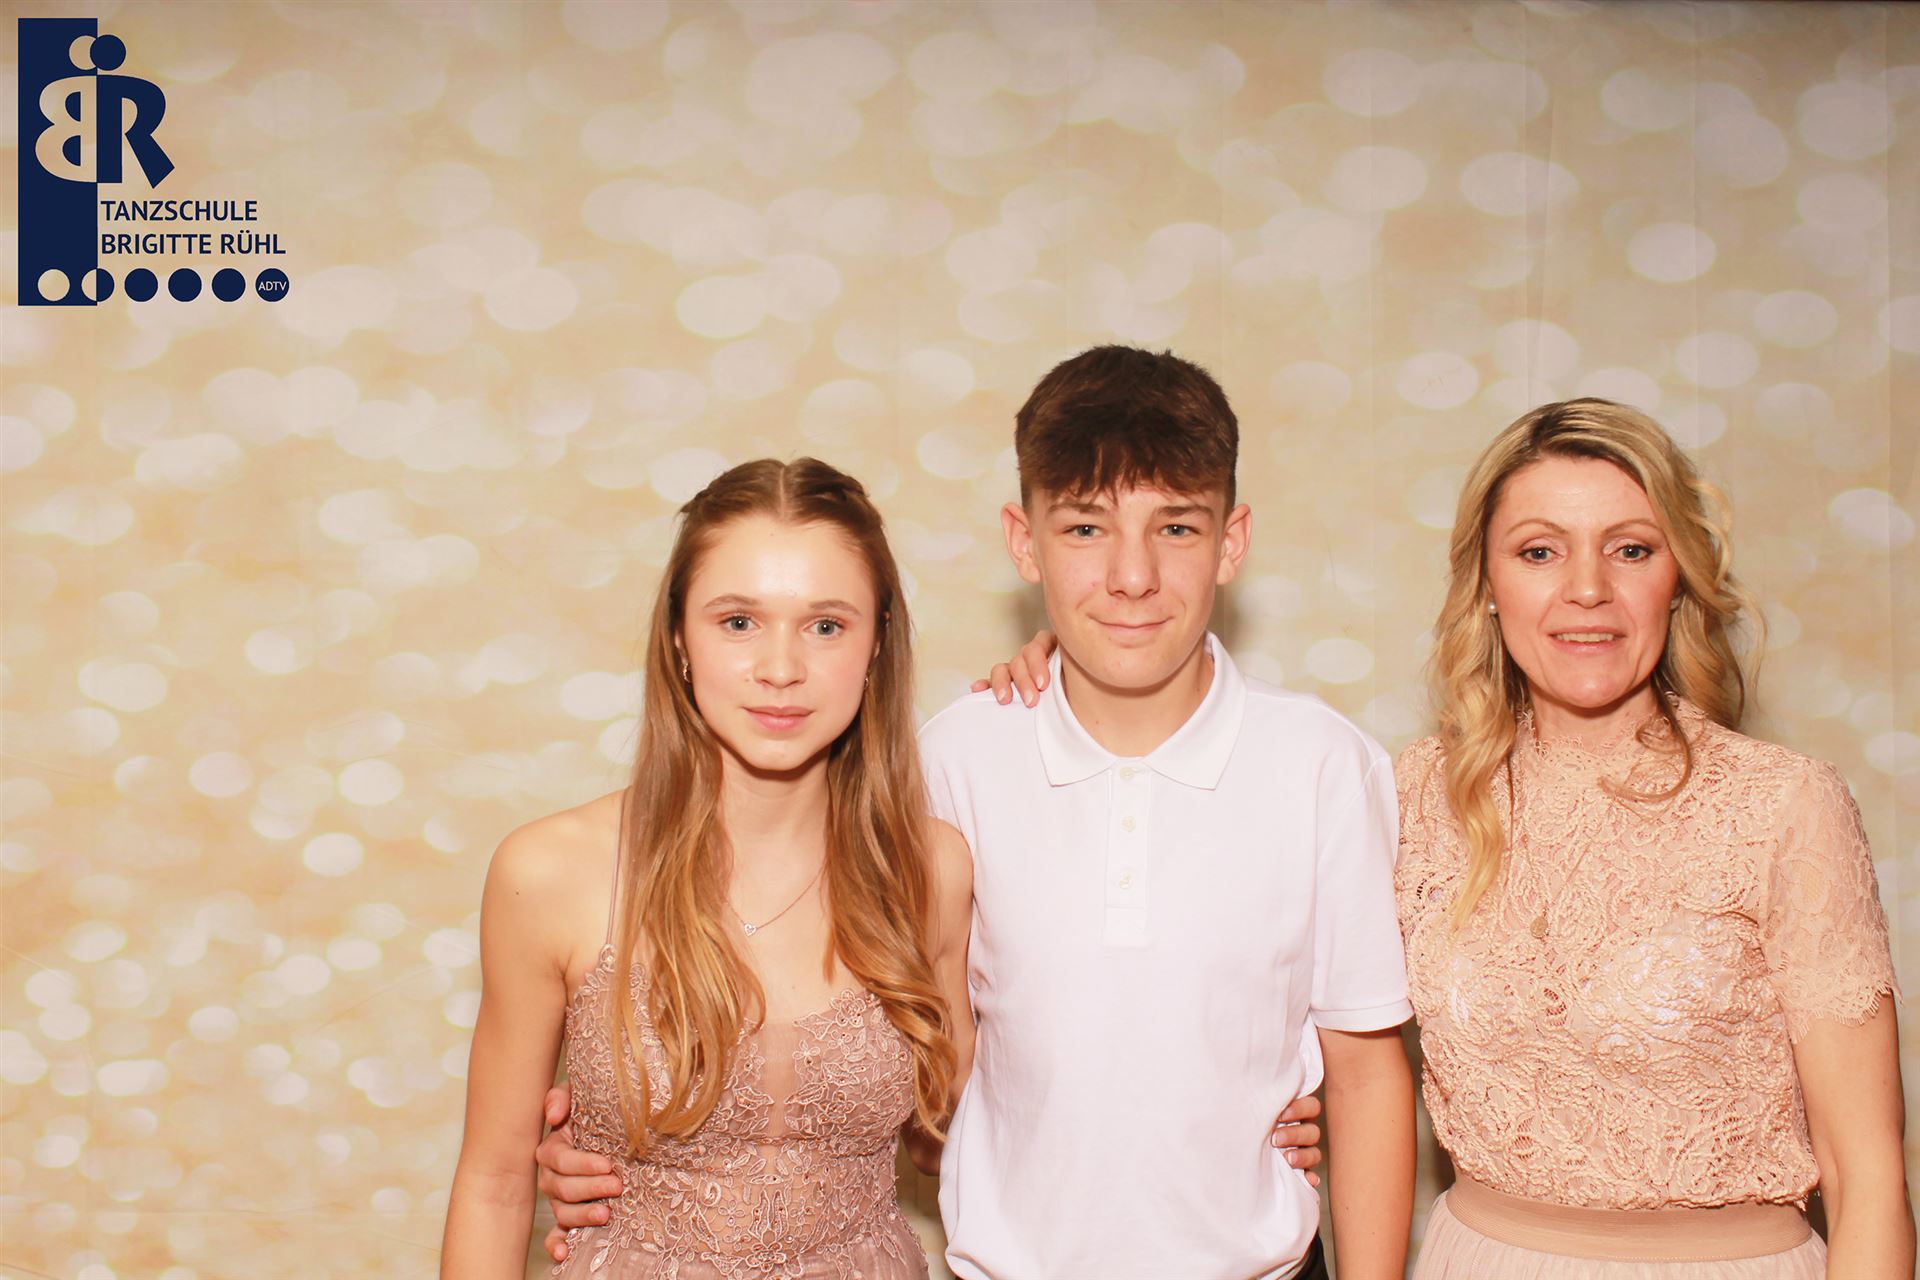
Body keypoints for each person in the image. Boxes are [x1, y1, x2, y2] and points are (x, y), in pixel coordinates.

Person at [979, 397, 1912, 1277]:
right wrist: (1076, 665)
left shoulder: (1783, 806)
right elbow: (1253, 981)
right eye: (1540, 552)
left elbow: (1867, 1174)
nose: (1588, 590)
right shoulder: (1412, 794)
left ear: (1679, 581)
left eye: (1630, 549)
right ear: (1489, 585)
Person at [536, 347, 1407, 1279]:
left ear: (1232, 542)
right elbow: (904, 1089)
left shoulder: (1324, 765)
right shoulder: (952, 758)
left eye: (1178, 529)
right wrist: (636, 1150)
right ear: (1024, 542)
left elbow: (1366, 1076)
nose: (1133, 575)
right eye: (1085, 529)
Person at [440, 458, 975, 1279]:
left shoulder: (930, 868)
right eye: (738, 621)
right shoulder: (549, 872)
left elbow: (959, 1146)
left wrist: (1063, 682)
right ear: (678, 640)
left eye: (826, 626)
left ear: (876, 646)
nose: (781, 668)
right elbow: (495, 1184)